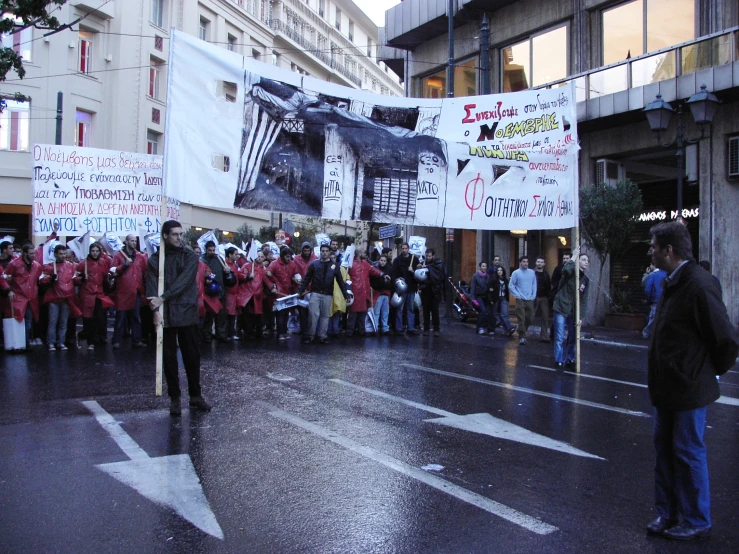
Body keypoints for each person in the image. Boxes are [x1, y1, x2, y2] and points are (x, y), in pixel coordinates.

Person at [644, 221, 738, 541]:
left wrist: (704, 372)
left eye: (654, 246)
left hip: (687, 387)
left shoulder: (699, 284)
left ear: (668, 251)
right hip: (667, 387)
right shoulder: (672, 281)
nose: (650, 251)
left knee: (687, 452)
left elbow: (724, 338)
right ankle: (667, 513)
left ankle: (696, 519)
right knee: (665, 452)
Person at [147, 220, 212, 416]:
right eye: (174, 234)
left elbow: (183, 282)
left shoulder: (190, 256)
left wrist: (162, 298)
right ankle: (174, 398)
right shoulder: (155, 259)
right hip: (165, 314)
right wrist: (154, 310)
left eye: (180, 234)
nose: (179, 238)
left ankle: (195, 396)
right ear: (165, 236)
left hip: (186, 312)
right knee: (168, 358)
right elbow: (151, 286)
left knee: (192, 356)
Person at [299, 244, 348, 344]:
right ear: (320, 252)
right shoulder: (314, 264)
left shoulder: (335, 266)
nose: (324, 253)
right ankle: (311, 335)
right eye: (323, 251)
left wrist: (345, 294)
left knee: (325, 316)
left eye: (326, 251)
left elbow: (340, 281)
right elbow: (307, 279)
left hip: (328, 293)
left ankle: (322, 335)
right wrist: (300, 290)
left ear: (329, 253)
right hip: (315, 292)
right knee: (313, 314)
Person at [552, 249, 589, 371]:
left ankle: (570, 358)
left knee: (573, 336)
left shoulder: (585, 280)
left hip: (574, 310)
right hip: (562, 306)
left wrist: (580, 317)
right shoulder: (571, 272)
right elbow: (565, 270)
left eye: (587, 260)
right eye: (583, 259)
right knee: (559, 336)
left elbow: (583, 300)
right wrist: (573, 257)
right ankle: (558, 360)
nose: (585, 262)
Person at [110, 235, 148, 349]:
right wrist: (124, 265)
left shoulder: (140, 257)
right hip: (123, 291)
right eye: (132, 240)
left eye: (135, 241)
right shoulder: (118, 256)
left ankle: (136, 340)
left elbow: (145, 272)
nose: (134, 242)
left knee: (136, 317)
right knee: (121, 317)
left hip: (136, 290)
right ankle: (116, 340)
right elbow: (112, 271)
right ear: (126, 242)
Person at [1, 243, 42, 347]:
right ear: (24, 253)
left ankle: (25, 343)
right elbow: (4, 279)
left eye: (34, 253)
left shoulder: (36, 265)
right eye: (31, 253)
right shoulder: (14, 264)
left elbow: (39, 279)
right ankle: (18, 343)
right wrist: (9, 290)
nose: (33, 255)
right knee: (18, 321)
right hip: (18, 297)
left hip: (31, 297)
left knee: (28, 322)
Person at [40, 244, 80, 351]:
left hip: (67, 298)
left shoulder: (71, 266)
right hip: (54, 298)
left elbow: (75, 278)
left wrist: (81, 279)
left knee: (63, 322)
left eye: (64, 254)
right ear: (55, 254)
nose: (63, 256)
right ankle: (51, 342)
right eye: (60, 254)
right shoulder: (49, 267)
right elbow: (42, 281)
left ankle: (60, 342)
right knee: (53, 322)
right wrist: (51, 279)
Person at [74, 243, 113, 350]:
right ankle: (87, 339)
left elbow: (105, 276)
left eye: (96, 251)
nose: (95, 253)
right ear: (90, 251)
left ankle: (90, 339)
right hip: (87, 295)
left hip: (99, 294)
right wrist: (82, 278)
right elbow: (74, 278)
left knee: (99, 318)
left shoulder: (103, 262)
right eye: (93, 251)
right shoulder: (83, 264)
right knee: (88, 320)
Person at [346, 248, 382, 337]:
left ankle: (360, 330)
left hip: (364, 292)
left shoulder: (365, 263)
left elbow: (373, 271)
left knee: (362, 312)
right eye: (363, 252)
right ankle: (351, 330)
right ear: (359, 254)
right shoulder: (351, 264)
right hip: (355, 292)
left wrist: (382, 274)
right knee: (353, 313)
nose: (365, 254)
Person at [201, 241, 230, 343]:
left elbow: (225, 272)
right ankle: (207, 335)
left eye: (213, 250)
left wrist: (227, 271)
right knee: (209, 315)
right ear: (206, 249)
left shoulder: (219, 259)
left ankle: (221, 334)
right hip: (209, 291)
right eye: (210, 250)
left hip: (220, 290)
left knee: (221, 315)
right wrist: (206, 280)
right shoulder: (202, 260)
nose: (212, 252)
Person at [266, 246, 295, 341]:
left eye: (290, 256)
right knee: (280, 314)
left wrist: (296, 279)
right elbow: (266, 275)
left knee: (286, 313)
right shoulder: (274, 264)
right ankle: (280, 333)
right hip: (279, 293)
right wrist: (272, 287)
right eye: (287, 256)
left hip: (288, 292)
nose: (289, 258)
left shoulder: (292, 264)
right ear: (282, 256)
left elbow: (295, 274)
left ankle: (284, 332)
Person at [392, 242, 420, 335]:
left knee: (410, 308)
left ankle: (410, 328)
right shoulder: (397, 260)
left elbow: (418, 273)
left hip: (411, 287)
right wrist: (397, 282)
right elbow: (394, 274)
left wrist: (413, 271)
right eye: (402, 248)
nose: (404, 250)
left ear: (408, 249)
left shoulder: (414, 259)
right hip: (401, 288)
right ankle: (399, 328)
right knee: (400, 309)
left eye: (406, 248)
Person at [291, 242, 317, 340]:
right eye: (305, 251)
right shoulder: (296, 259)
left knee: (312, 311)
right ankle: (304, 330)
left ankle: (311, 330)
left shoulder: (315, 259)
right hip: (300, 288)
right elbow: (292, 272)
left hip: (311, 289)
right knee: (302, 311)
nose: (306, 253)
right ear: (301, 250)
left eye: (308, 251)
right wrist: (294, 278)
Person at [419, 248, 447, 337]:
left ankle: (436, 329)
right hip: (426, 290)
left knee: (435, 311)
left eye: (429, 256)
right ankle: (426, 328)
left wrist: (426, 267)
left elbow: (437, 272)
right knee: (426, 311)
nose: (428, 257)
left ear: (433, 256)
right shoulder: (424, 263)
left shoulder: (438, 263)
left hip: (435, 290)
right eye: (427, 256)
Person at [509, 255, 537, 345]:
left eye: (527, 262)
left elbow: (534, 284)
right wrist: (517, 295)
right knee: (521, 318)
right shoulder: (516, 273)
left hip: (529, 298)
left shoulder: (532, 272)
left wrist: (533, 295)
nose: (525, 263)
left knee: (530, 317)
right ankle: (522, 336)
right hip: (520, 298)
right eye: (524, 262)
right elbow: (511, 285)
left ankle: (521, 329)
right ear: (520, 262)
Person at [224, 247, 246, 340]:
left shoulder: (234, 265)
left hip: (234, 293)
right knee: (228, 315)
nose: (238, 256)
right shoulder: (224, 265)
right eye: (236, 254)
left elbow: (237, 276)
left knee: (233, 314)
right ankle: (228, 333)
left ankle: (231, 333)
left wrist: (245, 276)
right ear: (230, 255)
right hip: (228, 293)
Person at [641, 265, 666, 340]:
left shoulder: (654, 275)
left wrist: (649, 299)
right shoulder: (669, 274)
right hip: (666, 300)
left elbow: (647, 289)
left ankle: (646, 332)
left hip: (655, 300)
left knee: (653, 318)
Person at [370, 254, 393, 335]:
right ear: (379, 260)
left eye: (384, 261)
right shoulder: (376, 269)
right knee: (377, 311)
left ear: (386, 262)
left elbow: (392, 281)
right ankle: (375, 327)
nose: (382, 262)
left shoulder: (389, 269)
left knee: (385, 312)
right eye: (381, 260)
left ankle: (385, 328)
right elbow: (372, 281)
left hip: (386, 293)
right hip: (378, 292)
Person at [471, 262, 494, 336]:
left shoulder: (488, 276)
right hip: (479, 296)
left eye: (485, 266)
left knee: (486, 311)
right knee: (483, 311)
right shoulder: (475, 276)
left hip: (486, 296)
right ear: (480, 267)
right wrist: (472, 298)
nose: (484, 267)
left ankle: (480, 327)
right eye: (483, 266)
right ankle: (481, 327)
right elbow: (473, 287)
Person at [533, 256, 552, 342]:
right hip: (533, 297)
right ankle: (522, 333)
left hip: (544, 297)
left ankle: (544, 335)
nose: (539, 263)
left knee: (545, 317)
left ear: (544, 264)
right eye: (538, 262)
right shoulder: (532, 273)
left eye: (541, 262)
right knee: (529, 316)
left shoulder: (546, 274)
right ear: (535, 263)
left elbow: (548, 286)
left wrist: (548, 297)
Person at [493, 266, 515, 337]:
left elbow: (507, 290)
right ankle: (506, 329)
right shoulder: (494, 280)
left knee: (504, 314)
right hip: (496, 298)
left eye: (501, 270)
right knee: (499, 314)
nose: (499, 272)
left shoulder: (505, 280)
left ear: (503, 272)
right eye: (498, 270)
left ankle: (509, 327)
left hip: (503, 298)